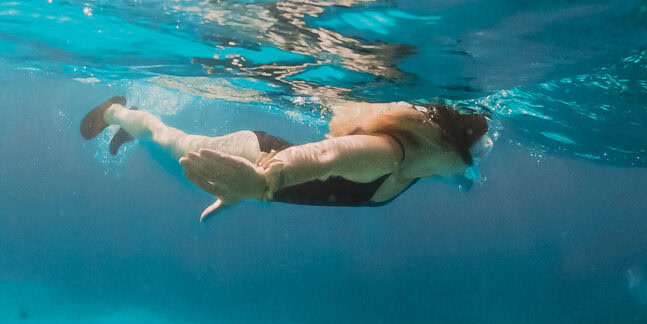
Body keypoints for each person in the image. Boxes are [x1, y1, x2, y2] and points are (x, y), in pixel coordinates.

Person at [80, 97, 491, 222]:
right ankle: (116, 111)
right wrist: (260, 185)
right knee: (168, 140)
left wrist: (464, 179)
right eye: (468, 161)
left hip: (263, 172)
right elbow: (323, 155)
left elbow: (448, 173)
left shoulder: (427, 164)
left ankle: (129, 128)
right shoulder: (389, 154)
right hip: (255, 156)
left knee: (167, 151)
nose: (472, 166)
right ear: (442, 148)